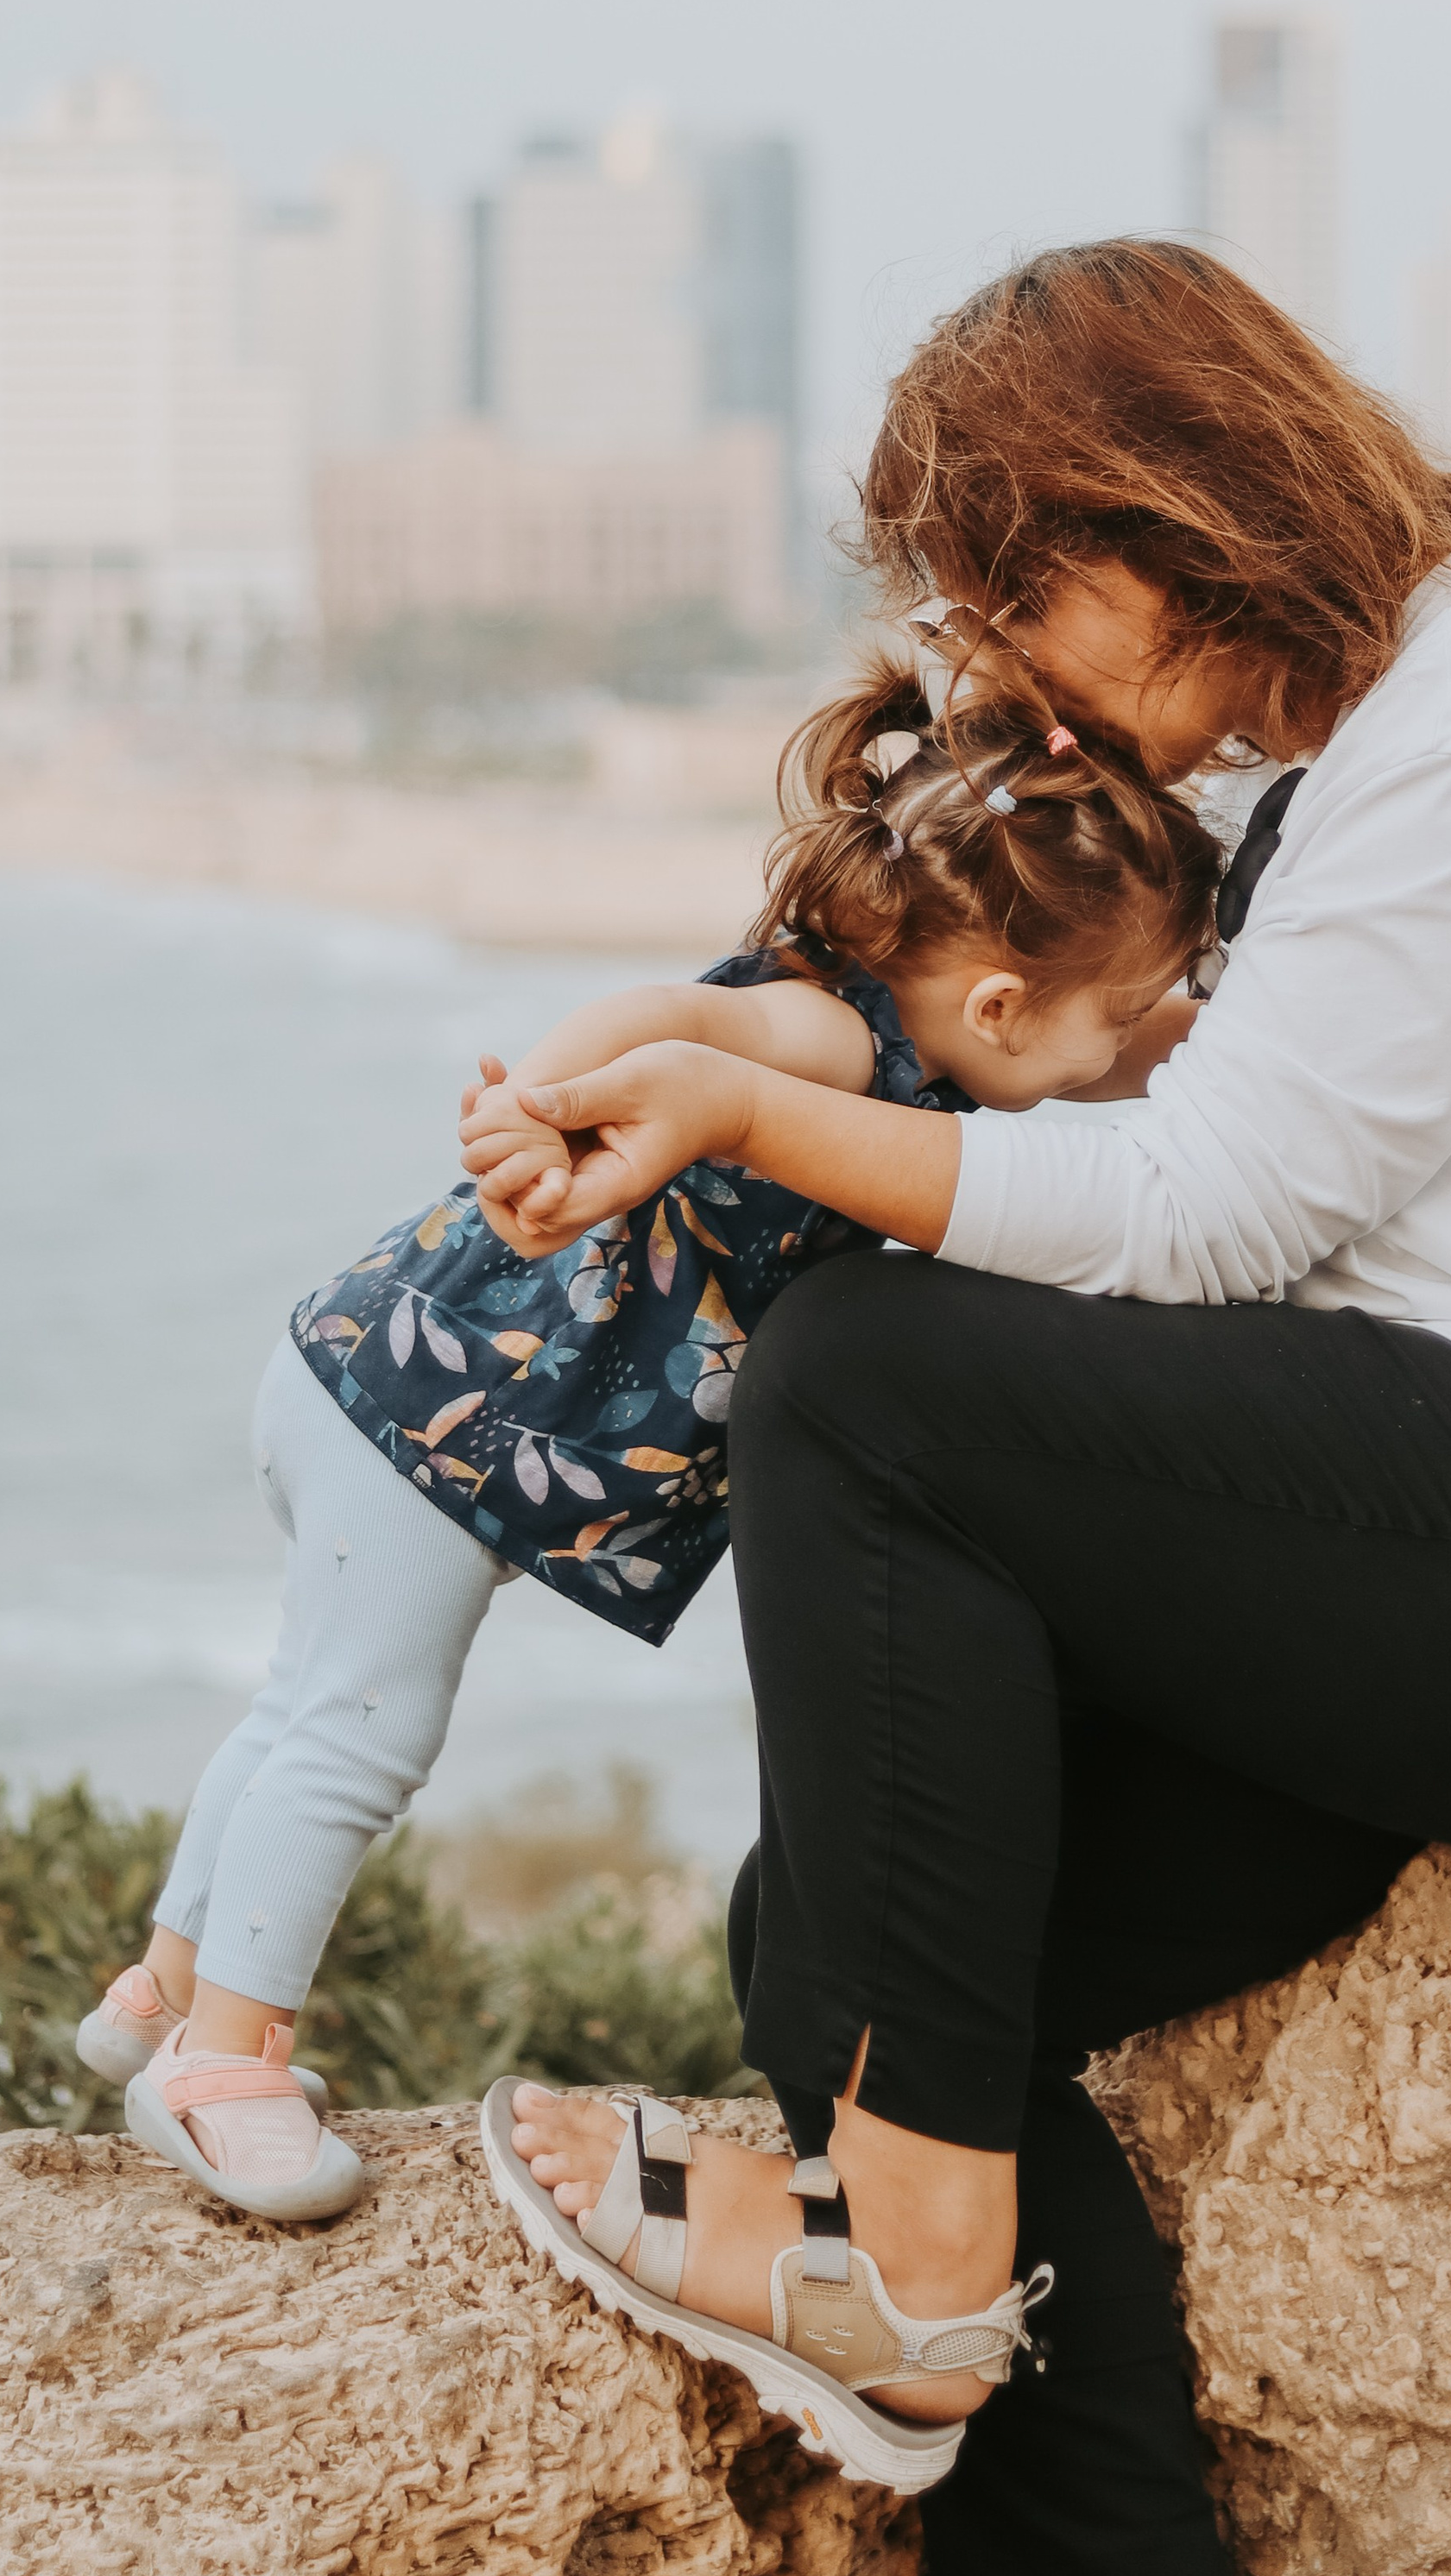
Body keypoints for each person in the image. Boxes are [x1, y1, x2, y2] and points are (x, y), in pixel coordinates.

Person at [478, 240, 1451, 2576]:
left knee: (871, 1386)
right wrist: (707, 1046)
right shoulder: (1347, 762)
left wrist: (747, 1143)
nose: (988, 677)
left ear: (1174, 508)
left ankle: (918, 2263)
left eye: (1007, 601)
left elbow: (1205, 1208)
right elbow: (1079, 1089)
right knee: (861, 1937)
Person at [76, 642, 1220, 2227]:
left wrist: (1211, 1023)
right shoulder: (833, 1046)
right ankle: (224, 2063)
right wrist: (535, 1102)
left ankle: (165, 1984)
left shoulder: (898, 1012)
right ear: (1004, 1001)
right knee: (360, 1732)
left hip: (367, 1377)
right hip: (432, 1434)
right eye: (1111, 1022)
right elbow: (667, 1015)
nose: (1123, 1050)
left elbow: (1092, 1055)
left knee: (297, 1703)